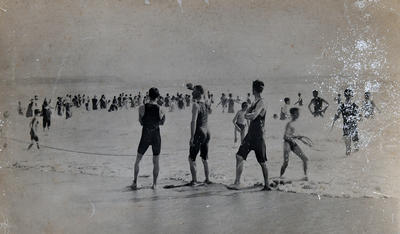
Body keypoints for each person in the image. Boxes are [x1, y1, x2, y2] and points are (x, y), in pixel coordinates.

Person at [232, 80, 270, 191]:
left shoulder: (262, 102)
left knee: (262, 162)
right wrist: (248, 114)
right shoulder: (254, 102)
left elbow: (253, 116)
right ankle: (237, 182)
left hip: (258, 135)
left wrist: (247, 115)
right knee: (239, 156)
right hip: (251, 134)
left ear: (253, 89)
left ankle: (267, 185)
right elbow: (249, 113)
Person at [131, 87, 165, 190]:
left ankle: (135, 182)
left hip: (145, 135)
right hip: (156, 136)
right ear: (158, 97)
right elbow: (162, 123)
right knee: (156, 161)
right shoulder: (161, 108)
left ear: (148, 95)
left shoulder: (141, 108)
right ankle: (154, 184)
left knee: (138, 159)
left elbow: (141, 122)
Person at [188, 85, 211, 185]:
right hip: (207, 132)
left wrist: (192, 137)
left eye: (193, 92)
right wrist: (194, 88)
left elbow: (193, 122)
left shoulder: (195, 105)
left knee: (191, 158)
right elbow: (202, 93)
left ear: (196, 93)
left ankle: (194, 181)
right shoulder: (206, 104)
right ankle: (207, 179)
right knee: (205, 158)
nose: (192, 93)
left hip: (199, 132)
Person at [280, 108, 309, 180]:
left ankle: (305, 177)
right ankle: (280, 177)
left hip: (292, 143)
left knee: (305, 159)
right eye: (297, 113)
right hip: (287, 143)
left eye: (298, 113)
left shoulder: (296, 123)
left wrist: (300, 138)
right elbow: (285, 136)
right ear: (293, 115)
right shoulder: (289, 124)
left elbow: (293, 135)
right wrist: (296, 137)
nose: (298, 114)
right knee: (286, 163)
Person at [333, 88, 360, 156]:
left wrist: (336, 116)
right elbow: (338, 114)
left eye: (349, 95)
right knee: (348, 137)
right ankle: (350, 150)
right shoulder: (344, 105)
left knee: (351, 137)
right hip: (349, 124)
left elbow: (359, 114)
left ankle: (352, 149)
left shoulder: (351, 105)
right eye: (348, 95)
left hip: (351, 124)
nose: (348, 97)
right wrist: (336, 116)